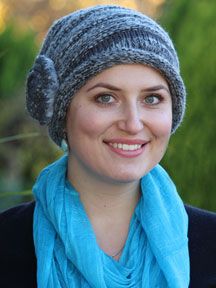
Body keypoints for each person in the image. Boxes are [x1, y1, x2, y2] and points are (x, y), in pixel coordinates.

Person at [0, 5, 215, 288]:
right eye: (105, 98)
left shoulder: (209, 243)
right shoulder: (7, 244)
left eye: (152, 99)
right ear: (59, 110)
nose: (133, 123)